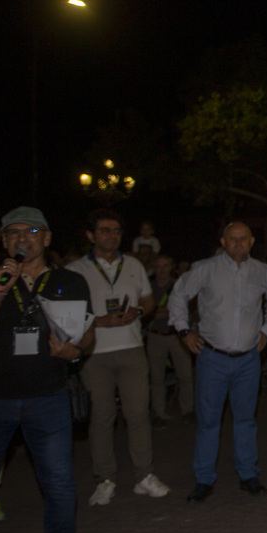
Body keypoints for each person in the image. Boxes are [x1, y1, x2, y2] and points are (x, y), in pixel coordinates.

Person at [0, 207, 95, 533]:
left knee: (59, 483)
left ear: (46, 238)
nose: (23, 238)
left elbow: (86, 334)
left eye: (31, 231)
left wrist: (76, 352)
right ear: (4, 241)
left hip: (48, 397)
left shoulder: (70, 281)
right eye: (13, 233)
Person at [67, 208, 170, 505]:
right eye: (104, 230)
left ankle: (143, 475)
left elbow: (148, 302)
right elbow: (70, 316)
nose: (111, 236)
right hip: (94, 353)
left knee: (138, 415)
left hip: (132, 349)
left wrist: (136, 312)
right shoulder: (76, 270)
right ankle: (105, 478)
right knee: (101, 418)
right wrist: (99, 321)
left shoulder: (135, 264)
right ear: (90, 235)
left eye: (116, 231)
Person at [168, 222, 267, 501]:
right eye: (232, 239)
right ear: (223, 241)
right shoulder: (206, 269)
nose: (238, 243)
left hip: (248, 359)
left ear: (252, 242)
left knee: (245, 419)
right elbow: (178, 295)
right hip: (212, 357)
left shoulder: (262, 272)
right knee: (208, 422)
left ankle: (248, 475)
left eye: (243, 239)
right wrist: (184, 331)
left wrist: (266, 330)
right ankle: (204, 479)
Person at [145, 254, 195, 427]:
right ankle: (158, 412)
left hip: (177, 336)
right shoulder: (148, 286)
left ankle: (188, 410)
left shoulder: (178, 285)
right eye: (158, 266)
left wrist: (158, 311)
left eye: (165, 266)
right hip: (155, 335)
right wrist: (163, 311)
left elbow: (180, 310)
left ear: (171, 267)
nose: (162, 270)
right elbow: (145, 311)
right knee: (157, 377)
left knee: (185, 376)